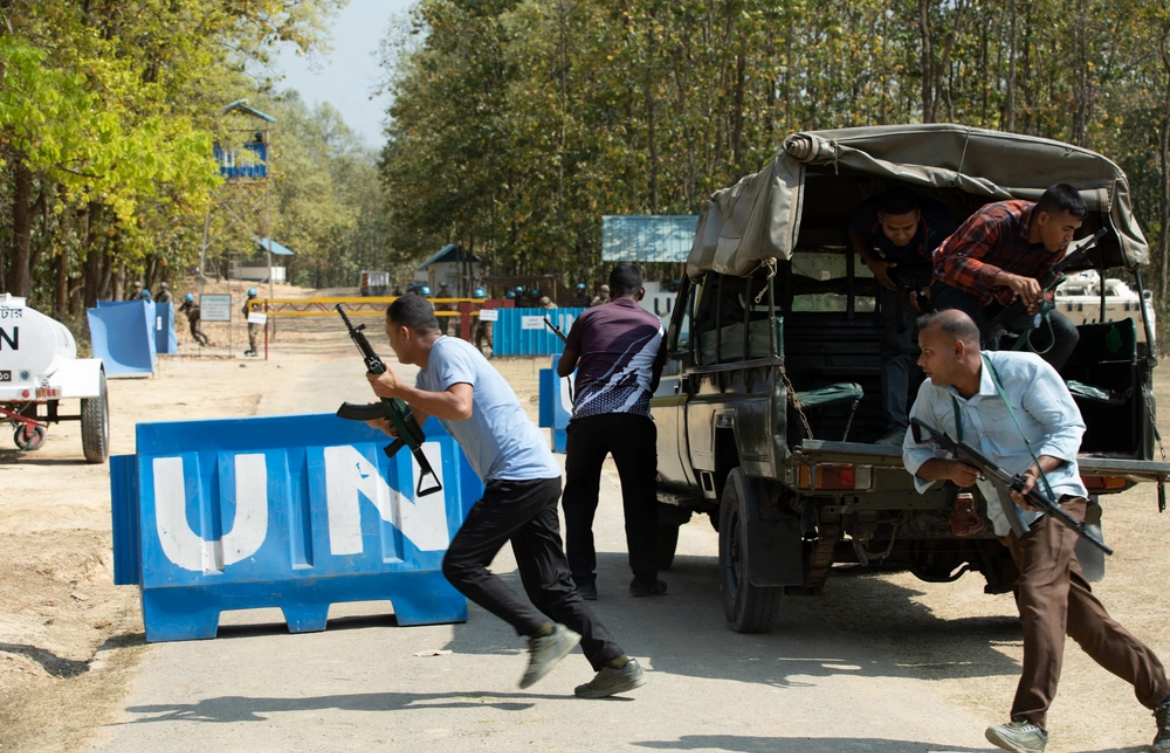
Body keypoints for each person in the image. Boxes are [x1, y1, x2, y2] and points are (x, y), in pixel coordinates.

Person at [903, 309, 1170, 753]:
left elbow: (1068, 427)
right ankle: (1165, 699)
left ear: (958, 349)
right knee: (1087, 623)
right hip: (1010, 518)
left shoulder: (1024, 371)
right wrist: (950, 471)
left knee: (1037, 592)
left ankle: (1030, 723)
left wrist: (1035, 471)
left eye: (927, 352)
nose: (920, 361)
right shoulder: (932, 394)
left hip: (1055, 500)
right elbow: (914, 453)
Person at [364, 295, 646, 698]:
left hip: (518, 477)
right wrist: (384, 415)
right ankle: (616, 665)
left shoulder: (448, 352)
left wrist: (400, 388)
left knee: (461, 565)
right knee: (550, 587)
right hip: (536, 475)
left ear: (405, 332)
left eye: (391, 336)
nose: (392, 346)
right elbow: (413, 429)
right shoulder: (429, 374)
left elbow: (459, 407)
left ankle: (541, 634)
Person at [557, 263, 668, 599]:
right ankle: (645, 579)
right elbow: (653, 380)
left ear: (609, 289)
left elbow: (563, 368)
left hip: (587, 420)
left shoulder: (588, 318)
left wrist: (583, 357)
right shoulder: (656, 325)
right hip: (633, 420)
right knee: (640, 498)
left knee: (579, 499)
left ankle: (583, 582)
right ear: (641, 292)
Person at [931, 183, 1086, 372]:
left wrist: (1038, 301)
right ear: (1043, 218)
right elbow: (954, 264)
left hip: (1003, 300)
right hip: (956, 287)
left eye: (1074, 230)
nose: (1069, 237)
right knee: (982, 338)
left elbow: (1047, 285)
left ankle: (1030, 387)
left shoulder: (1057, 244)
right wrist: (1008, 279)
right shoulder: (996, 219)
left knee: (1065, 333)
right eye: (1067, 228)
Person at [849, 187, 958, 445]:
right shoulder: (866, 216)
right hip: (894, 275)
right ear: (880, 219)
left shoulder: (942, 223)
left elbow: (958, 257)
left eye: (907, 228)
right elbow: (854, 231)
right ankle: (896, 428)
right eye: (892, 229)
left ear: (919, 216)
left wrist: (934, 286)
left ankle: (943, 427)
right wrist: (873, 262)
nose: (900, 235)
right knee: (894, 348)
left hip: (939, 275)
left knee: (945, 348)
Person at [473, 287, 494, 356]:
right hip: (480, 323)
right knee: (477, 339)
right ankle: (480, 354)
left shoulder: (487, 302)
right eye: (477, 298)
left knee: (489, 338)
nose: (478, 299)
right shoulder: (475, 303)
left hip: (487, 322)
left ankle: (495, 351)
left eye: (479, 297)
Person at [242, 288, 260, 357]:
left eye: (253, 296)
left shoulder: (257, 301)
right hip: (250, 320)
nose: (252, 297)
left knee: (252, 334)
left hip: (256, 320)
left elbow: (257, 309)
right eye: (250, 296)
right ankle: (252, 349)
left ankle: (255, 351)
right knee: (250, 335)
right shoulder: (248, 301)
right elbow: (244, 309)